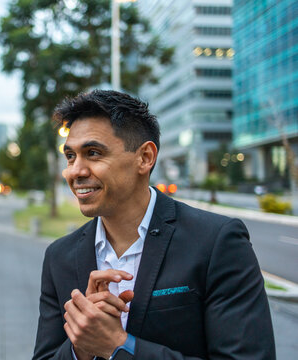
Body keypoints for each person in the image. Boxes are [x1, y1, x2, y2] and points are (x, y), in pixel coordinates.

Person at [32, 90, 275, 360]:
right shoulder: (59, 257)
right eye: (70, 156)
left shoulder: (216, 242)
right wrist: (80, 348)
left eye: (93, 153)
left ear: (145, 157)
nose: (75, 171)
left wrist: (120, 346)